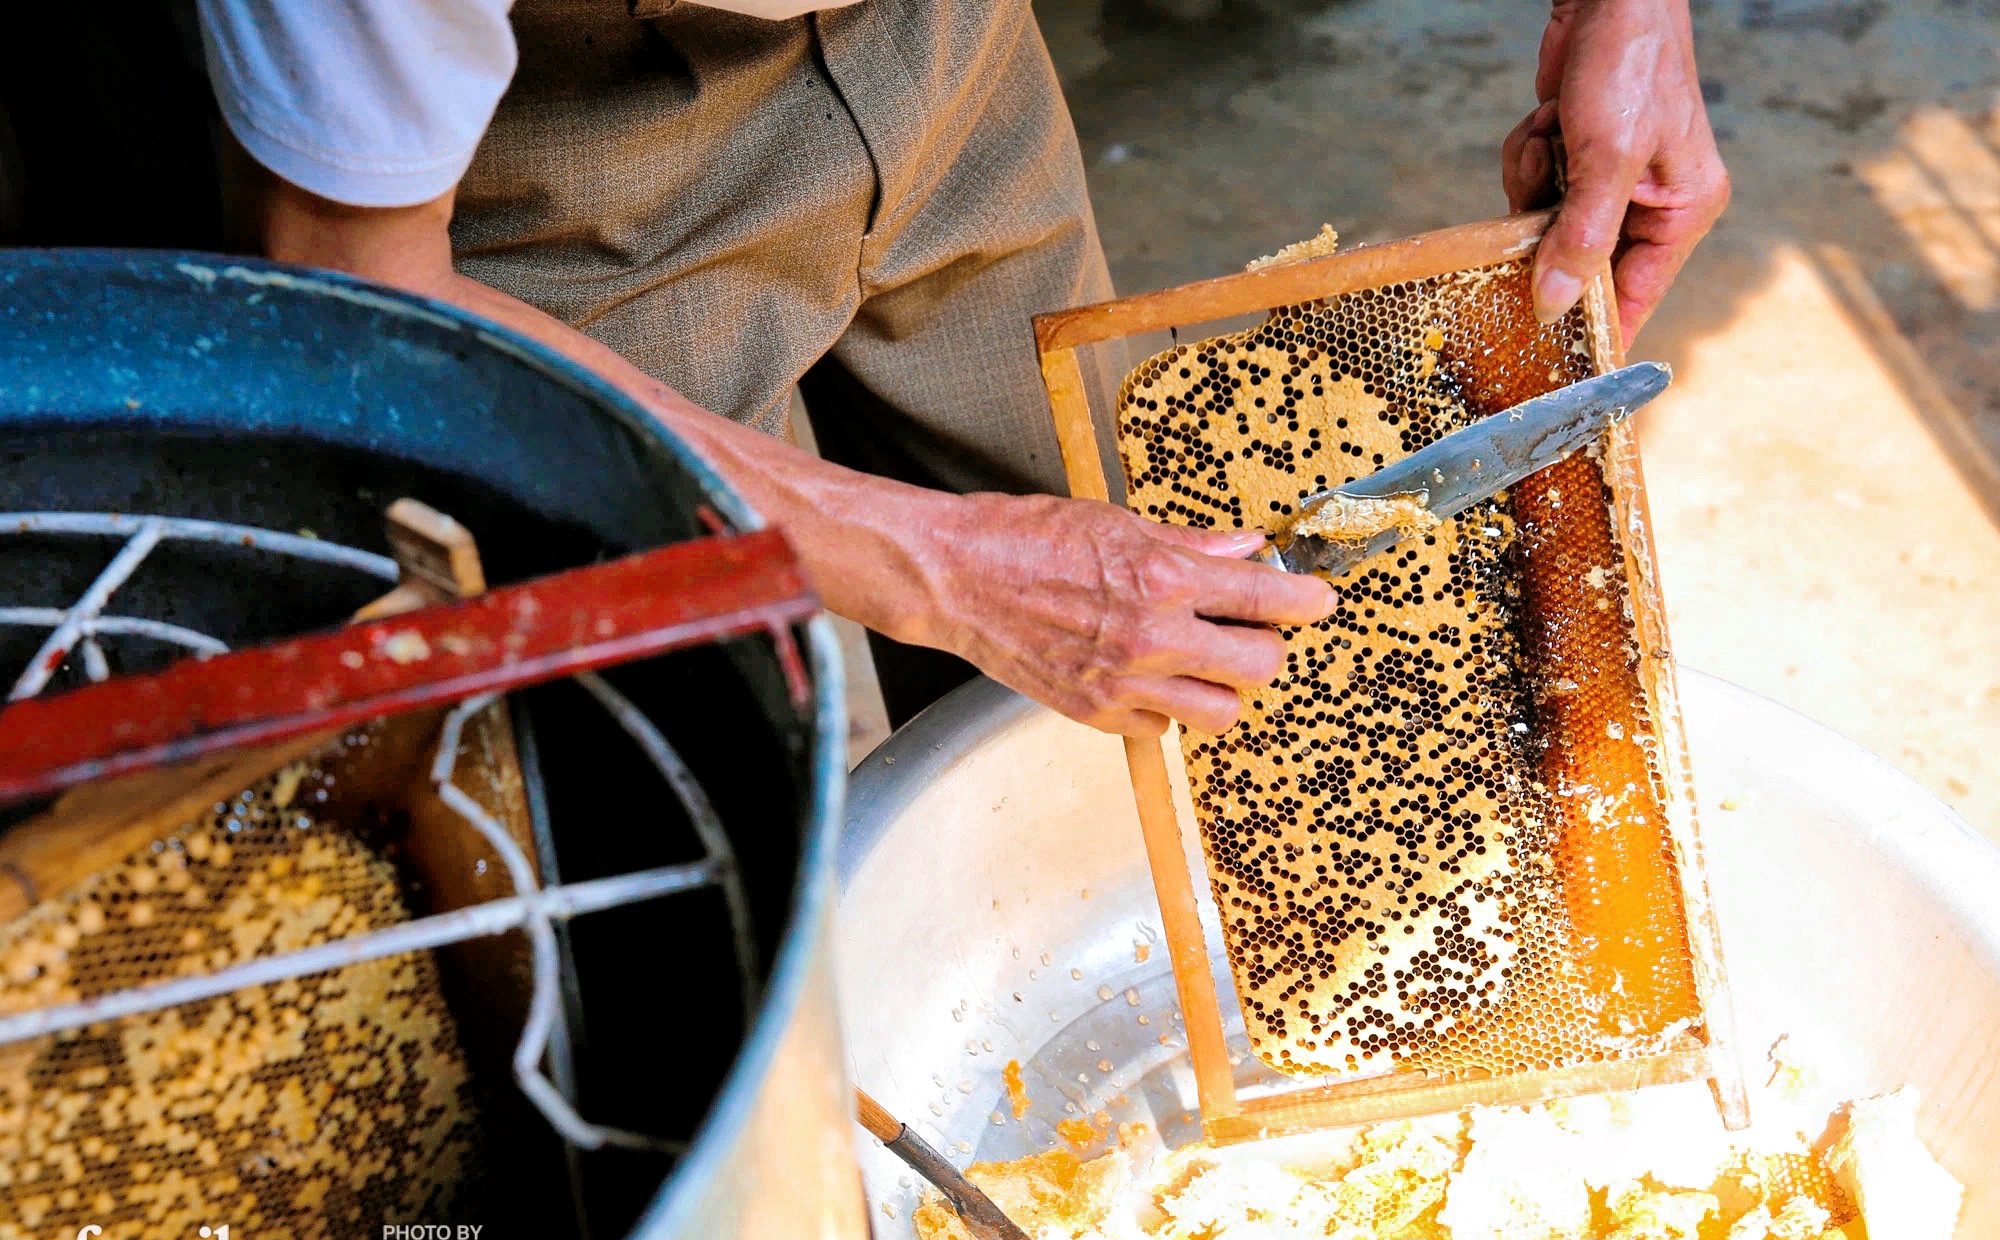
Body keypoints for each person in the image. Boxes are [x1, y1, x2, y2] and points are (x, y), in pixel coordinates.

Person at [193, 0, 1728, 738]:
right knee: (757, 779)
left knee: (1155, 608)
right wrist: (944, 572)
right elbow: (353, 285)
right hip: (532, 171)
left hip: (940, 45)